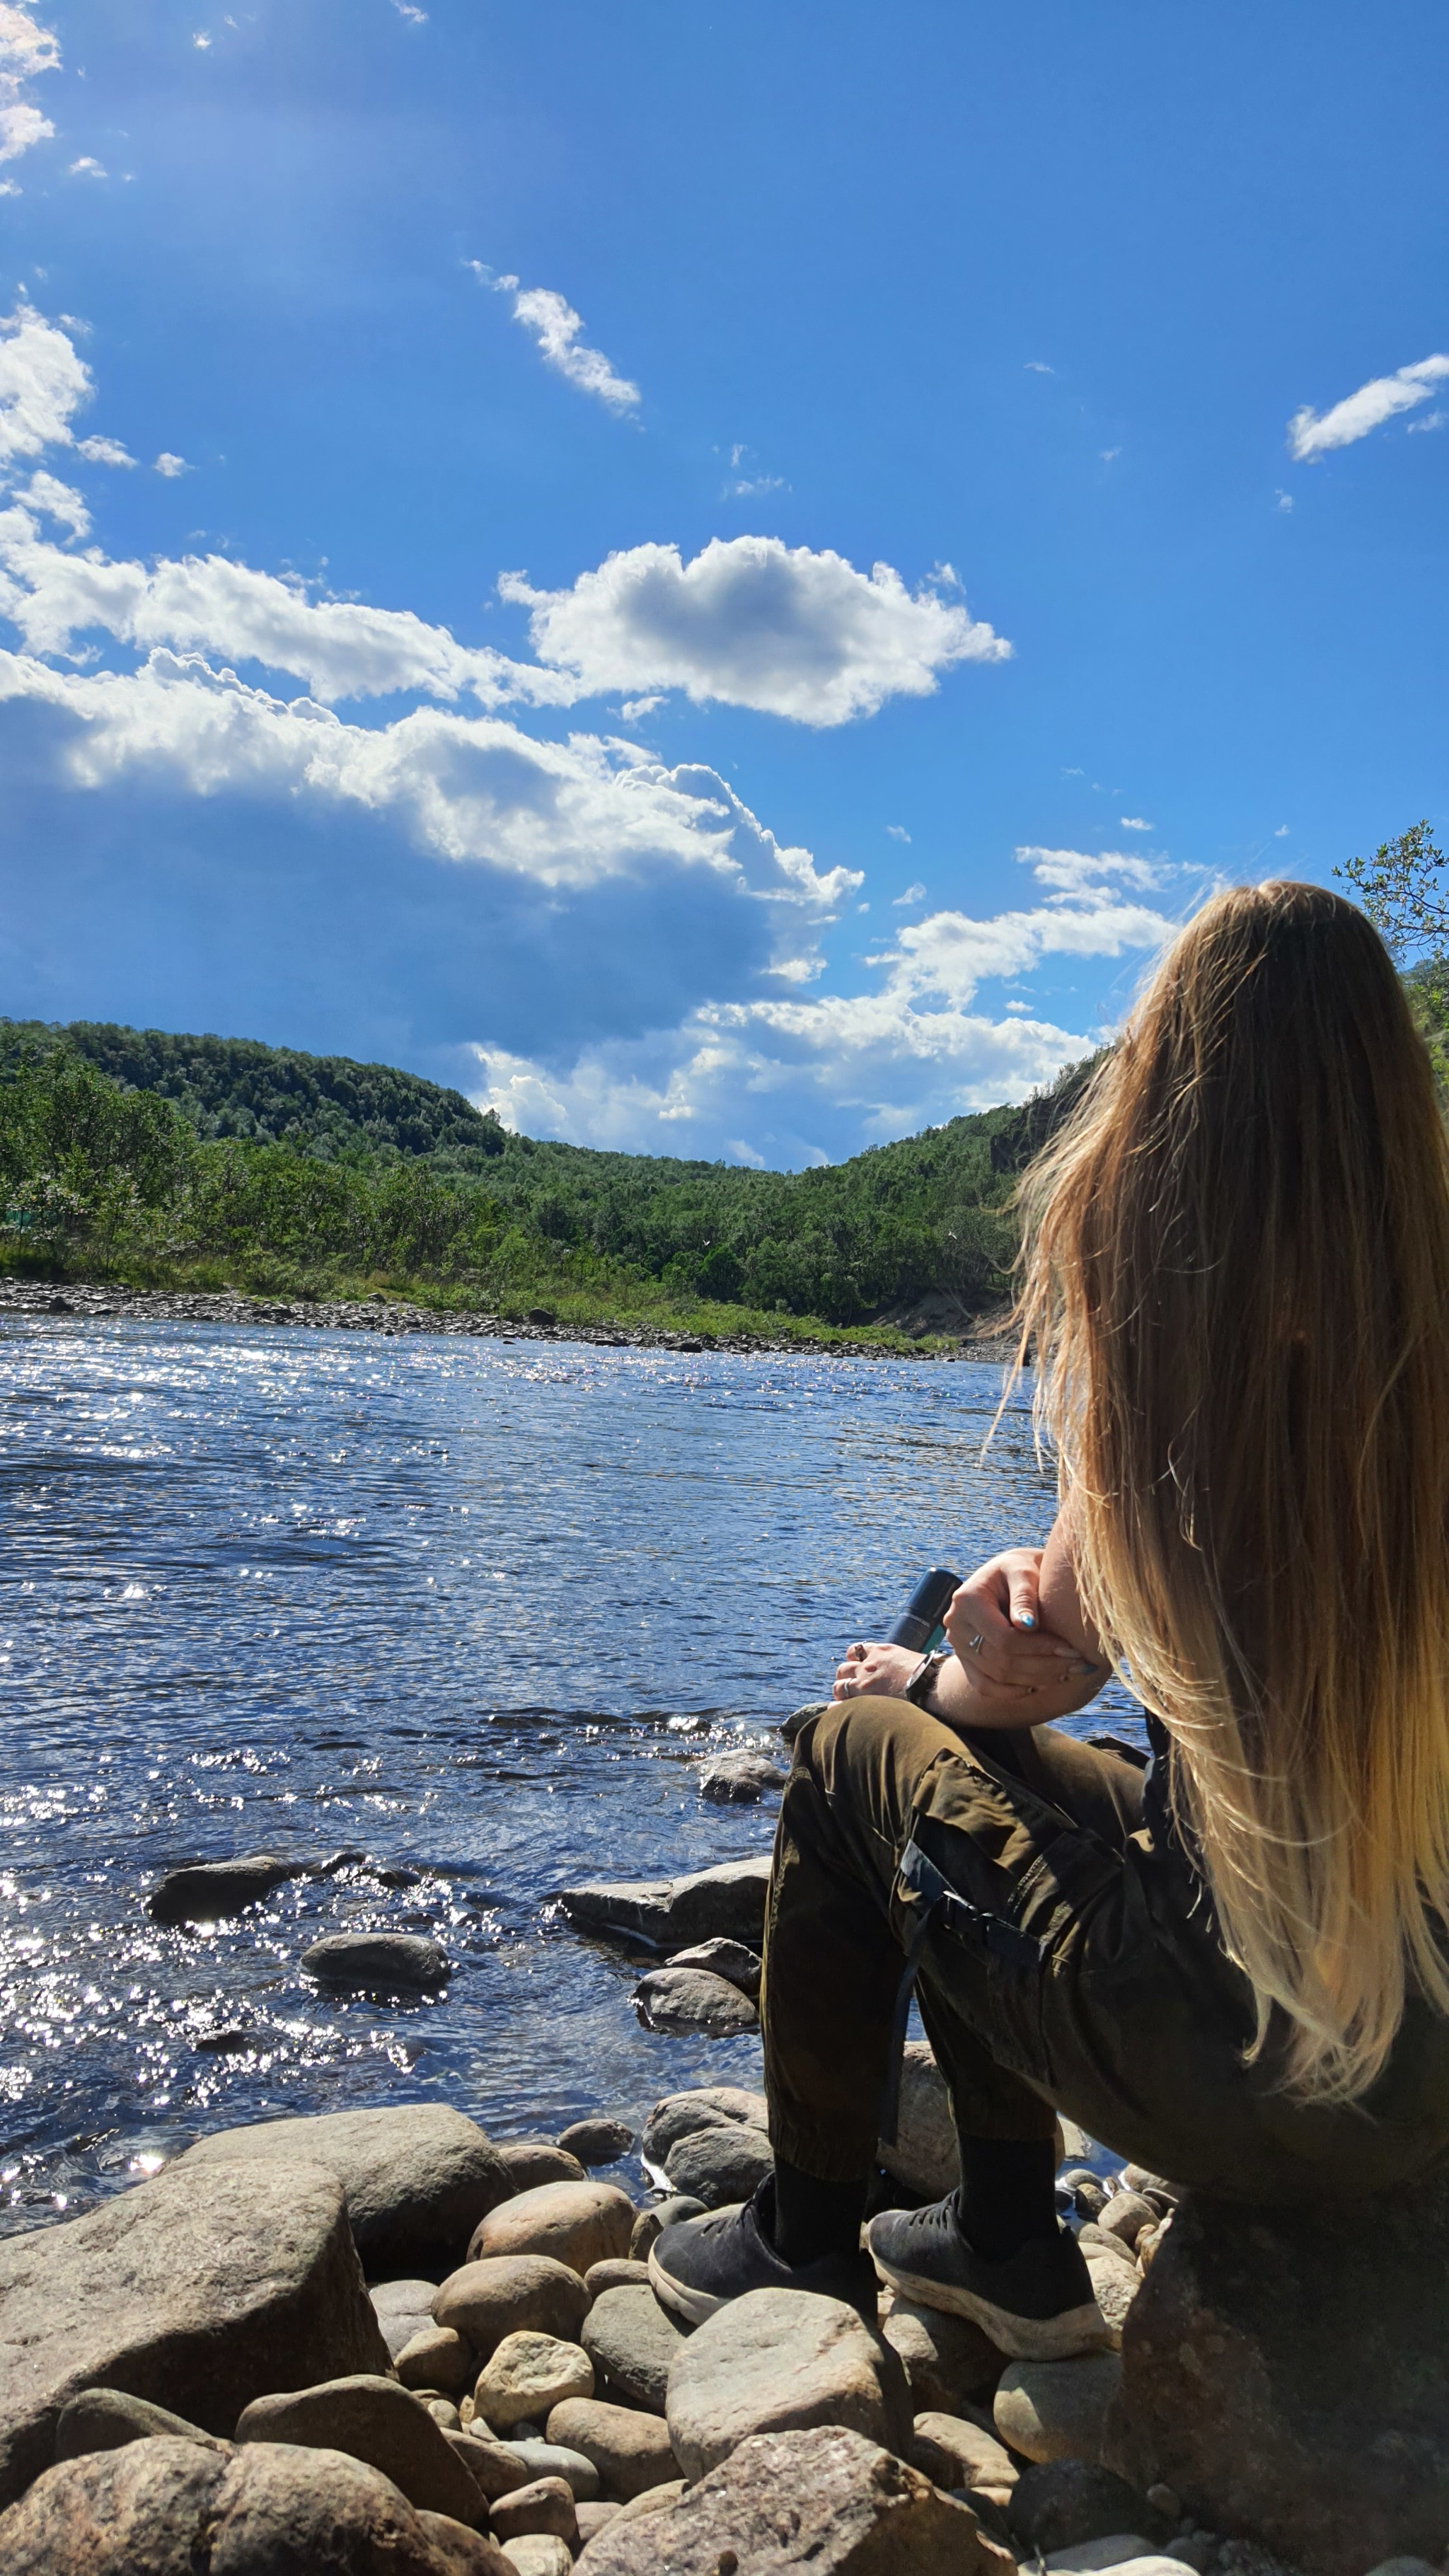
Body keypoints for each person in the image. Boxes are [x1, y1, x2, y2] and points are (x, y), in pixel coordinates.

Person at [650, 881, 1449, 2360]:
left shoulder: (1176, 1360)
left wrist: (923, 1685)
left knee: (848, 1749)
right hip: (1428, 2077)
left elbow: (1021, 1680)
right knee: (1012, 1769)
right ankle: (992, 2238)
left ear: (1171, 1112)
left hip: (1257, 2084)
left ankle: (828, 2233)